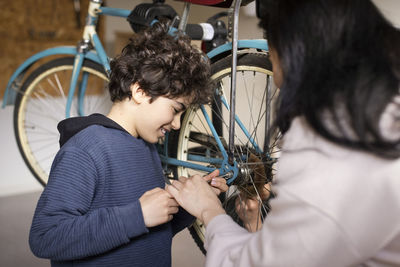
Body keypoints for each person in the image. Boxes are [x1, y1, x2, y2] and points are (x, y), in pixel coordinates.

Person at [166, 0, 400, 266]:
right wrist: (255, 225)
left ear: (289, 48)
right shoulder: (377, 111)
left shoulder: (335, 154)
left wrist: (210, 210)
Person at [29, 22, 227, 267]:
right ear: (141, 91)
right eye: (176, 110)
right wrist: (138, 215)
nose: (177, 124)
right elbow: (45, 236)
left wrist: (188, 205)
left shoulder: (146, 148)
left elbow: (152, 232)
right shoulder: (86, 150)